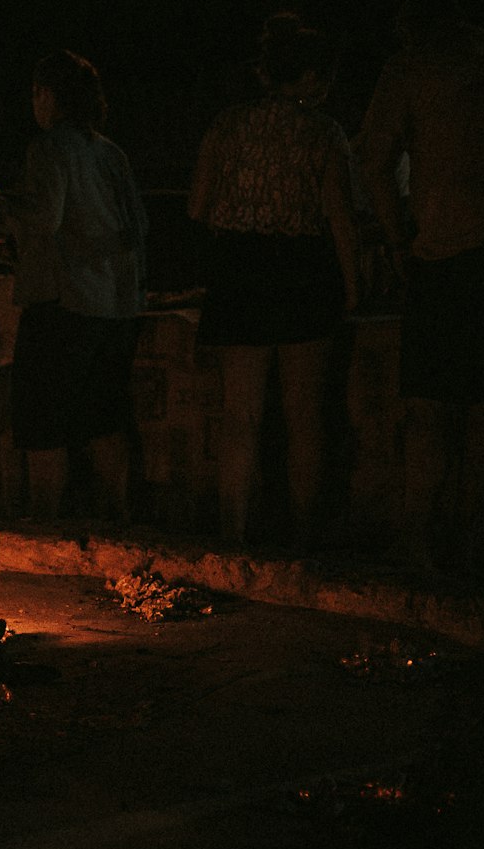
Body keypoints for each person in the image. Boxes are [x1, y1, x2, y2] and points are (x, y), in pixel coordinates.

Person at [358, 0, 484, 570]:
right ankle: (475, 535)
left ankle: (419, 536)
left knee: (431, 401)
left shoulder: (414, 65)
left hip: (453, 245)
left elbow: (372, 159)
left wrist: (396, 238)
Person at [0, 51, 148, 523]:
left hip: (61, 302)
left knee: (42, 423)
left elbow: (43, 216)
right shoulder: (109, 152)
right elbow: (137, 225)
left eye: (36, 93)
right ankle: (115, 523)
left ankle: (44, 527)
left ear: (49, 95)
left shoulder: (50, 148)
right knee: (105, 418)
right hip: (113, 306)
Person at [188, 13, 359, 547]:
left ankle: (232, 534)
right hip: (303, 271)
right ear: (306, 76)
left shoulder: (227, 125)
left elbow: (197, 205)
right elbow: (339, 217)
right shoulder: (324, 132)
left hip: (239, 271)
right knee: (305, 417)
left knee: (241, 417)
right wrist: (352, 287)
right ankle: (305, 537)